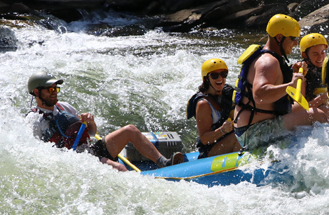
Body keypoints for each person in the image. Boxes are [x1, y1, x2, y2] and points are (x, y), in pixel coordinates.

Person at [26, 72, 184, 172]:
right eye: (50, 89)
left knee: (130, 129)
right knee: (120, 168)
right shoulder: (34, 121)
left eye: (56, 89)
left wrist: (90, 122)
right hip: (75, 162)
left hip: (89, 151)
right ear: (37, 92)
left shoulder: (64, 107)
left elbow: (93, 133)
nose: (55, 93)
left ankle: (164, 162)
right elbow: (38, 156)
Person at [233, 14, 328, 150]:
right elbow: (259, 95)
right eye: (293, 38)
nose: (296, 43)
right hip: (253, 133)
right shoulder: (268, 61)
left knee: (317, 109)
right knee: (318, 115)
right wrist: (290, 84)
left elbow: (293, 99)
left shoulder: (271, 58)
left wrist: (294, 75)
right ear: (279, 37)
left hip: (257, 126)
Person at [186, 58, 241, 158]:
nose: (220, 79)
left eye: (223, 74)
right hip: (210, 150)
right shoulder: (203, 104)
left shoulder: (228, 93)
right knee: (238, 138)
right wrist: (223, 130)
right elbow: (204, 139)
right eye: (214, 76)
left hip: (227, 140)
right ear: (206, 79)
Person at [298, 33, 329, 113]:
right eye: (315, 54)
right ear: (305, 55)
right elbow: (299, 109)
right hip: (310, 117)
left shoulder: (328, 68)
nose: (320, 57)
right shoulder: (302, 74)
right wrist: (322, 98)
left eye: (323, 52)